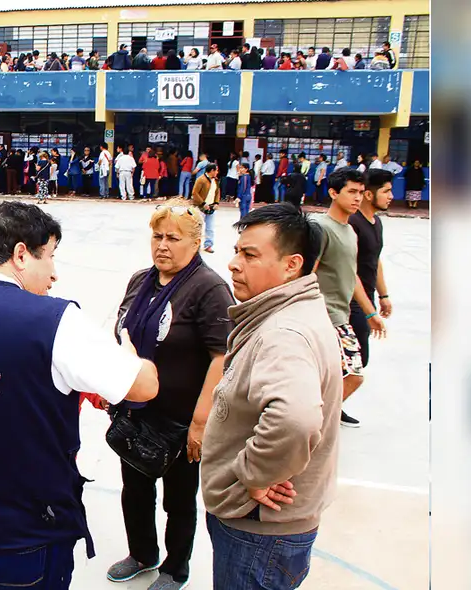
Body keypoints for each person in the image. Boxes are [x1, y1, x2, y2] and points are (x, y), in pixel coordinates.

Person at [0, 201, 162, 590]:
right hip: (29, 536)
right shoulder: (54, 321)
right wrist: (132, 356)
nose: (54, 273)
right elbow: (144, 386)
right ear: (21, 254)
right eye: (51, 257)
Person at [203, 203, 342, 590]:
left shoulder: (283, 333)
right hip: (268, 531)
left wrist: (256, 475)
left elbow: (295, 418)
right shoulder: (291, 312)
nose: (233, 264)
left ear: (291, 265)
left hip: (260, 532)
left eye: (250, 255)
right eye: (236, 251)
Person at [106, 199, 233, 589]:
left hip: (180, 418)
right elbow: (123, 332)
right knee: (135, 489)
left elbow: (222, 355)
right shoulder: (140, 280)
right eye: (157, 236)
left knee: (178, 500)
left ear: (195, 243)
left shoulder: (208, 288)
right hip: (136, 411)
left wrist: (200, 421)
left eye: (173, 238)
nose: (162, 245)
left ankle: (175, 567)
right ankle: (142, 553)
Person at [314, 168, 385, 428]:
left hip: (341, 316)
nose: (357, 198)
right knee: (352, 374)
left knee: (347, 374)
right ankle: (314, 422)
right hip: (323, 316)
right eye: (351, 192)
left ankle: (318, 418)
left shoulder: (350, 231)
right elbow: (308, 273)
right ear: (333, 193)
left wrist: (370, 312)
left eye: (360, 192)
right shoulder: (320, 228)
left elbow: (352, 275)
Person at [348, 169, 394, 380]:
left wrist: (383, 296)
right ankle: (330, 408)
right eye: (386, 191)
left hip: (368, 297)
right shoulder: (353, 224)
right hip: (352, 301)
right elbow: (350, 269)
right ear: (369, 194)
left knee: (356, 362)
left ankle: (334, 407)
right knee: (356, 360)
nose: (391, 197)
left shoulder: (376, 223)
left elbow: (375, 260)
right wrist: (369, 311)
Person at [191, 163, 219, 253]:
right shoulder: (201, 180)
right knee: (198, 226)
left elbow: (217, 192)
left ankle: (208, 245)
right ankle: (195, 245)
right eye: (216, 170)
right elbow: (195, 193)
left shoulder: (215, 180)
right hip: (201, 207)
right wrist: (203, 203)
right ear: (212, 171)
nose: (217, 172)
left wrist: (216, 202)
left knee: (210, 228)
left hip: (211, 207)